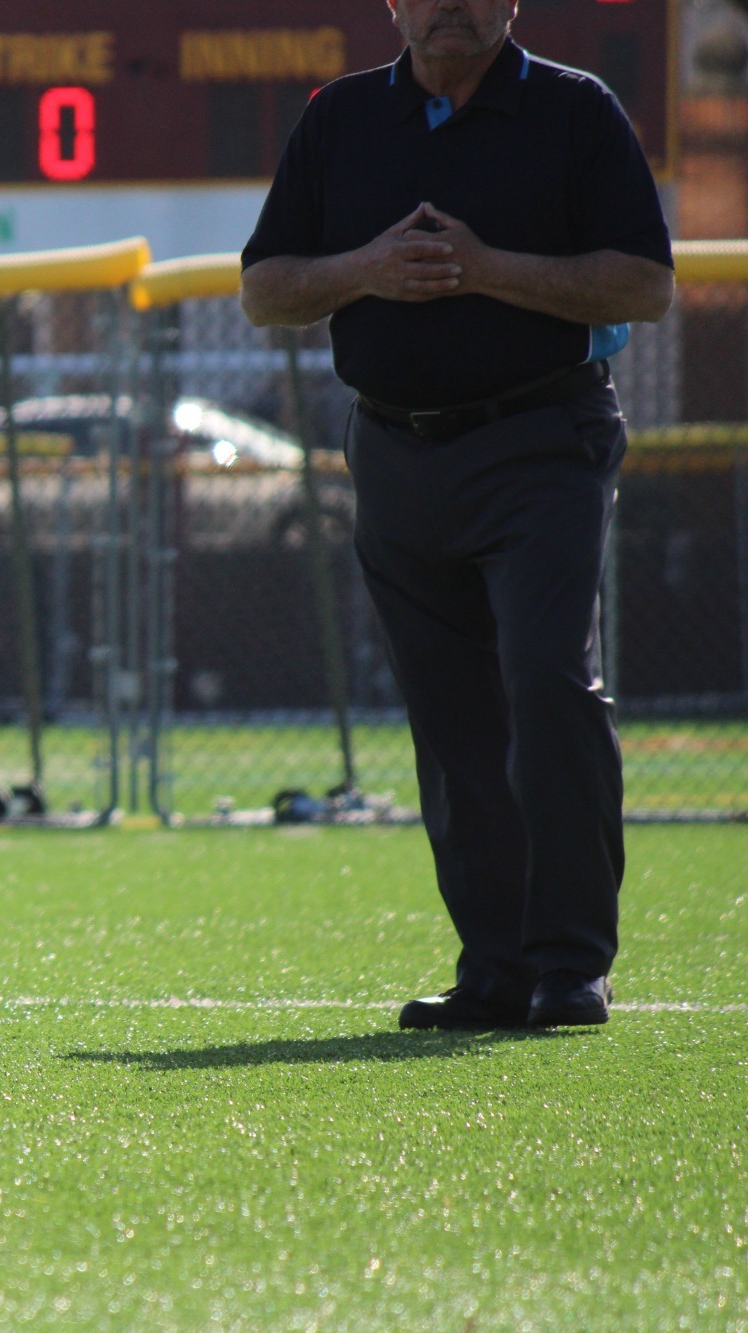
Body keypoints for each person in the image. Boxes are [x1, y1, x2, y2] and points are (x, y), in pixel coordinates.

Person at [239, 0, 674, 1031]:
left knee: (545, 679)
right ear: (391, 2)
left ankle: (570, 962)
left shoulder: (573, 110)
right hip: (394, 452)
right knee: (449, 720)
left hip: (539, 444)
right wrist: (364, 269)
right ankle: (493, 967)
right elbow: (263, 289)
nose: (449, 7)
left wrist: (484, 268)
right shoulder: (340, 119)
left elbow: (644, 284)